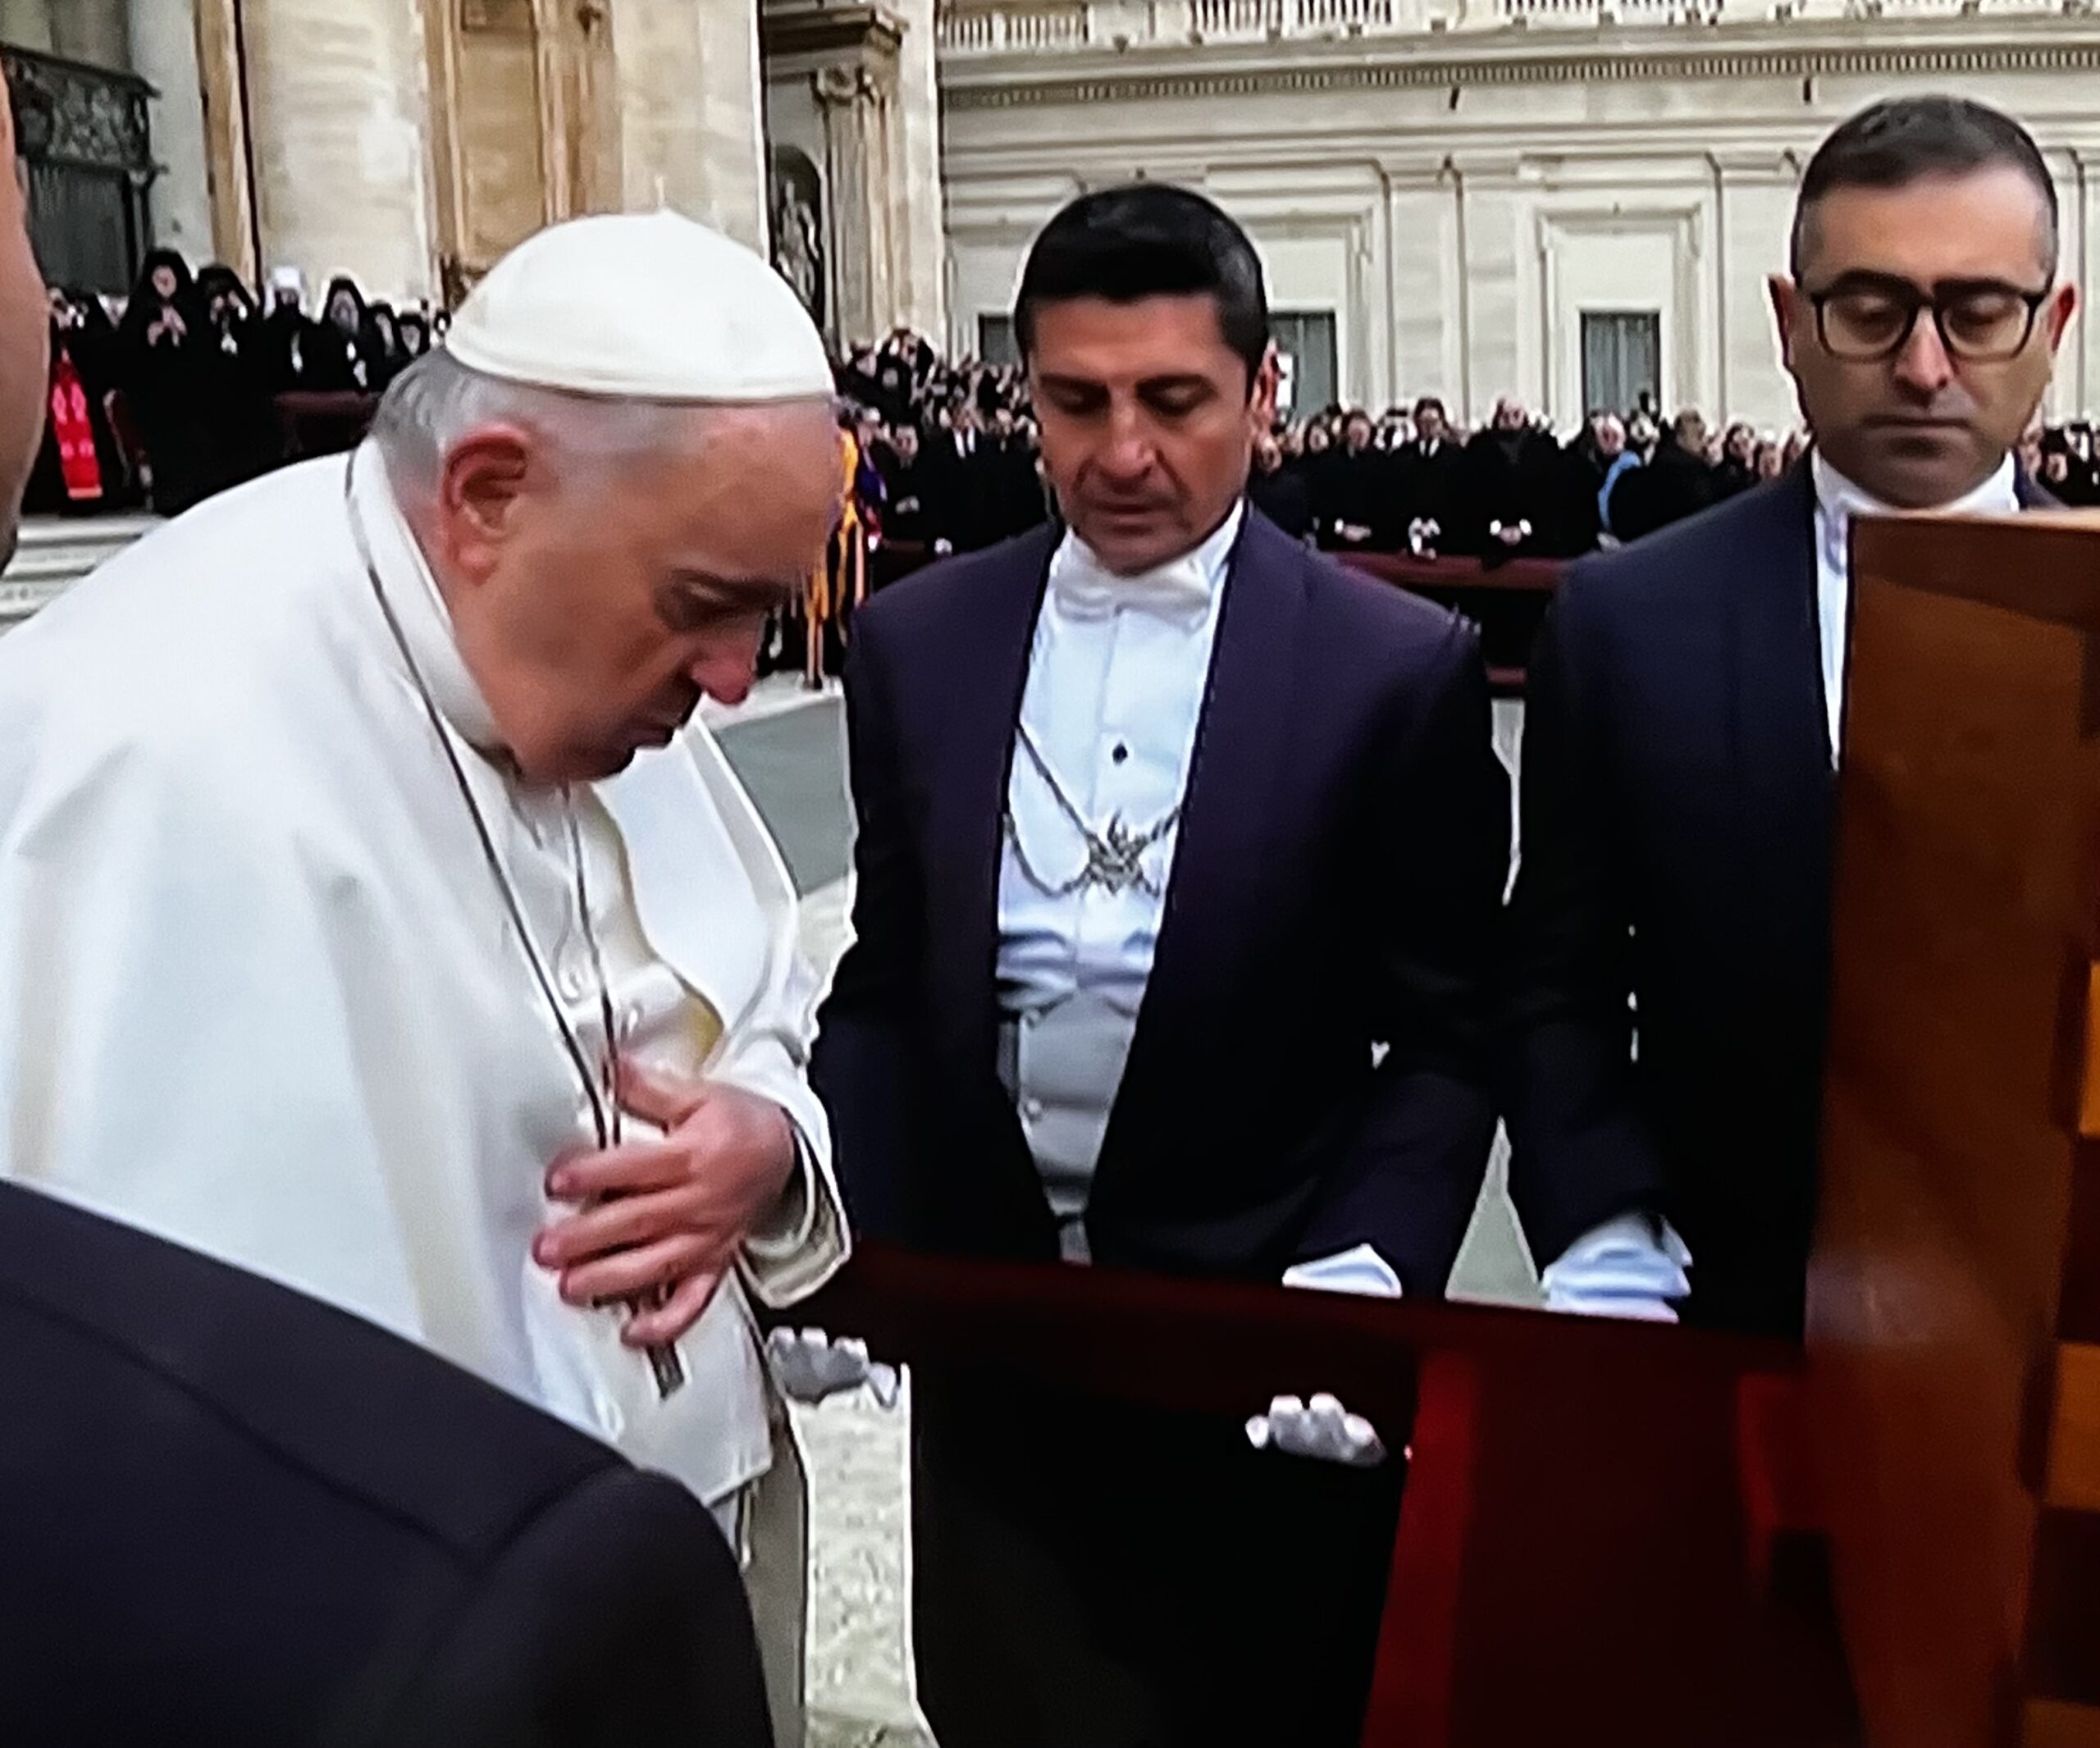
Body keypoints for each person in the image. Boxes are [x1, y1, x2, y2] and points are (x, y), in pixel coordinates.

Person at [0, 212, 852, 1740]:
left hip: (682, 1558)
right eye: (703, 608)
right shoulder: (140, 750)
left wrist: (765, 1142)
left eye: (762, 617)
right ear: (488, 494)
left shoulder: (592, 662)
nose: (737, 680)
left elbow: (756, 987)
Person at [812, 182, 1507, 1747]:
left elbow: (1449, 1033)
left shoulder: (1394, 672)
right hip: (995, 1334)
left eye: (1173, 402)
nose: (1121, 453)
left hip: (1259, 1332)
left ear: (1265, 395)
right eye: (1076, 403)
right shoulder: (919, 644)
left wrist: (1368, 1265)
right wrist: (843, 1220)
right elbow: (889, 978)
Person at [1501, 95, 2075, 1338]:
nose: (1924, 367)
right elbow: (1559, 984)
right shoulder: (1626, 624)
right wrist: (1605, 1232)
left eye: (1978, 312)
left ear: (2055, 325)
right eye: (1871, 310)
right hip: (1722, 1310)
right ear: (1790, 322)